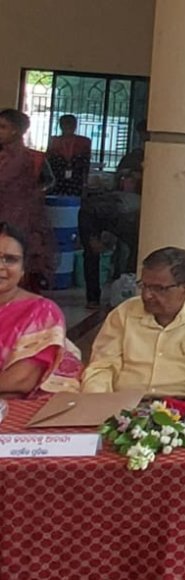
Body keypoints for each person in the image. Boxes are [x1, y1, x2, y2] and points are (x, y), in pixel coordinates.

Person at [81, 247, 185, 399]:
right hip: (127, 407)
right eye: (144, 285)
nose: (147, 295)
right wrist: (99, 405)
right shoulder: (125, 313)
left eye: (159, 289)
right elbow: (101, 367)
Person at [0, 222, 82, 398]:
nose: (1, 266)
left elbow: (22, 380)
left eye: (10, 259)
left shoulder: (41, 313)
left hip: (17, 408)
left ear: (23, 269)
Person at [0, 109, 55, 291]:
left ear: (16, 130)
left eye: (3, 127)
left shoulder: (33, 158)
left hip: (24, 221)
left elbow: (49, 181)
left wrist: (30, 195)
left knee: (20, 266)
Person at [46, 114, 92, 197]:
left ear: (75, 126)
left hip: (75, 180)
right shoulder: (54, 141)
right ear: (60, 126)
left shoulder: (84, 142)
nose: (68, 126)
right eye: (65, 124)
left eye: (70, 124)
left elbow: (86, 165)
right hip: (57, 179)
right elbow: (48, 163)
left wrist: (85, 184)